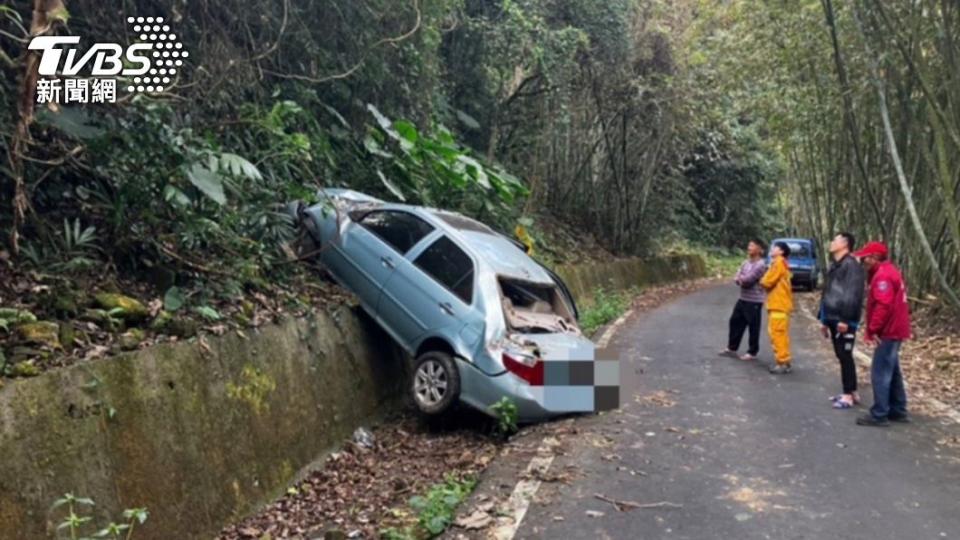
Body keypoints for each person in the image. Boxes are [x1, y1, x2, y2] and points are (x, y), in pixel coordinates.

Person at [854, 242, 912, 427]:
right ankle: (898, 409)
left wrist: (874, 329)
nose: (863, 261)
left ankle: (880, 413)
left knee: (880, 372)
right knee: (892, 370)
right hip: (895, 328)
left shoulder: (883, 276)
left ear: (874, 258)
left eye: (866, 258)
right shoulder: (890, 271)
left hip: (889, 330)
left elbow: (883, 305)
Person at [819, 232, 866, 409]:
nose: (832, 243)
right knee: (841, 355)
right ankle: (851, 390)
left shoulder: (852, 266)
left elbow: (853, 294)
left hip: (844, 319)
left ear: (845, 244)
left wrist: (845, 319)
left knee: (845, 355)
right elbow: (828, 292)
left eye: (835, 240)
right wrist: (823, 319)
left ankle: (848, 395)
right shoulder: (835, 265)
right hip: (832, 316)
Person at [720, 239, 767, 361]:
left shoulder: (761, 265)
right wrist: (740, 279)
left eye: (752, 245)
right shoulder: (745, 262)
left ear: (759, 249)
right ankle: (732, 348)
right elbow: (737, 276)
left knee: (753, 326)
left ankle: (752, 352)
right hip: (743, 298)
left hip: (755, 300)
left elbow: (748, 280)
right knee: (735, 321)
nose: (749, 247)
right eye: (749, 245)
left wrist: (741, 279)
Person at [761, 242, 794, 374]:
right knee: (781, 334)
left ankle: (782, 362)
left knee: (777, 334)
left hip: (778, 304)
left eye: (775, 248)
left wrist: (763, 280)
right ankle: (785, 360)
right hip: (781, 304)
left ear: (781, 251)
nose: (772, 249)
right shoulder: (783, 263)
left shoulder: (778, 263)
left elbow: (767, 281)